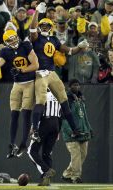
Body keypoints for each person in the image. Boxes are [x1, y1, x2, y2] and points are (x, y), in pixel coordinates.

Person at [29, 2, 89, 144]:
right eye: (42, 25)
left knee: (63, 98)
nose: (44, 27)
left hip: (51, 72)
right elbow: (32, 28)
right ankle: (35, 130)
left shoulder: (54, 39)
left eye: (47, 25)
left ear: (51, 27)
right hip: (40, 73)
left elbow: (70, 51)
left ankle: (75, 130)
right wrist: (37, 11)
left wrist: (79, 47)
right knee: (41, 100)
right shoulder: (36, 38)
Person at [0, 29, 39, 158]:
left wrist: (22, 70)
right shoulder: (5, 51)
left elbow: (35, 65)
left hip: (29, 82)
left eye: (14, 38)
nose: (14, 41)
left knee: (26, 113)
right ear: (6, 42)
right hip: (17, 84)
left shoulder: (26, 45)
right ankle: (11, 144)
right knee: (14, 113)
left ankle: (23, 144)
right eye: (10, 40)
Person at [61, 79, 93, 184]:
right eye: (74, 85)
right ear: (69, 87)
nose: (77, 87)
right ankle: (76, 177)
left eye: (78, 85)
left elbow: (84, 116)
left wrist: (89, 128)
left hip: (83, 132)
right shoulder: (66, 99)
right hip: (71, 134)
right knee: (76, 155)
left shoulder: (81, 98)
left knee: (83, 154)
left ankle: (67, 174)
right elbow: (64, 118)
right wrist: (71, 131)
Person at [28, 89, 61, 186]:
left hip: (44, 123)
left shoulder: (42, 93)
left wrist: (33, 127)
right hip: (55, 124)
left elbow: (38, 113)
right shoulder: (57, 94)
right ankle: (46, 180)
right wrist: (58, 130)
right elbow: (62, 115)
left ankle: (46, 170)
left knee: (31, 151)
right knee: (47, 153)